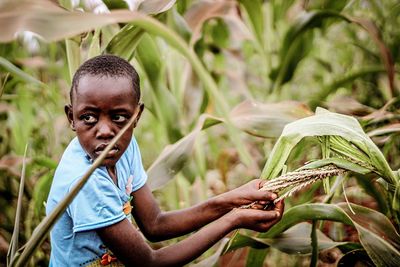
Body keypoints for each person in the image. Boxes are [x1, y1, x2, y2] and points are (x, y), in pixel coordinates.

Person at [46, 55, 284, 267]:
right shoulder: (84, 181)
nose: (106, 131)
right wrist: (235, 218)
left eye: (119, 117)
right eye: (88, 117)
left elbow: (155, 225)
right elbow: (150, 262)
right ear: (71, 117)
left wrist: (234, 199)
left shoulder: (122, 147)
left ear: (136, 116)